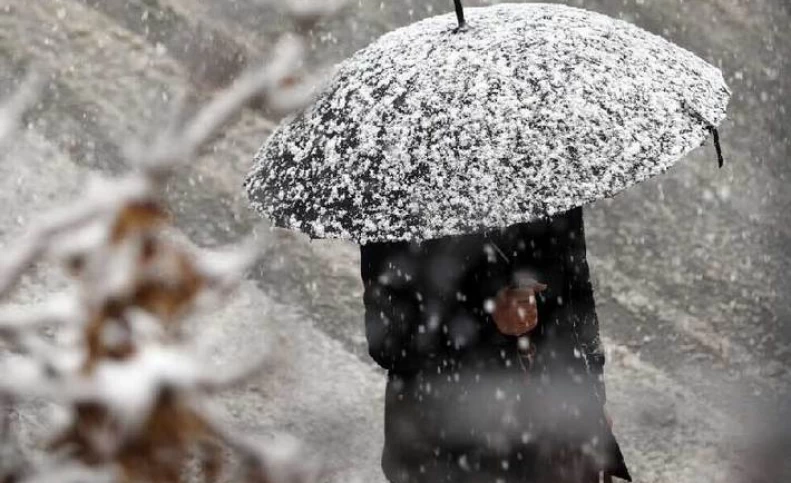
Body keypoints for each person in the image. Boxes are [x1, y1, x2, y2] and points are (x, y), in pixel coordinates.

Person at [359, 207, 631, 483]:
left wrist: (593, 393)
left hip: (557, 435)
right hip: (450, 443)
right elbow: (389, 340)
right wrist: (488, 319)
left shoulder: (546, 174)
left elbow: (576, 289)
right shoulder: (400, 200)